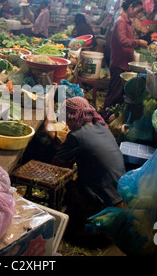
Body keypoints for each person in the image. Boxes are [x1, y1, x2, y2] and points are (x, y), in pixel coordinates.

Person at [52, 96, 126, 243]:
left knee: (68, 185)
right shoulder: (103, 127)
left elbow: (57, 165)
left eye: (66, 119)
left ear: (73, 117)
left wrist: (53, 142)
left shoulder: (76, 136)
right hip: (121, 193)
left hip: (104, 198)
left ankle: (82, 225)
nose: (66, 123)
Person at [102, 0, 148, 119]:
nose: (137, 13)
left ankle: (111, 117)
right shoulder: (121, 21)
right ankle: (104, 117)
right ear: (130, 7)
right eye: (137, 10)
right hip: (119, 63)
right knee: (114, 93)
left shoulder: (127, 21)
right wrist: (138, 42)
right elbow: (123, 41)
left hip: (124, 63)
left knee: (119, 93)